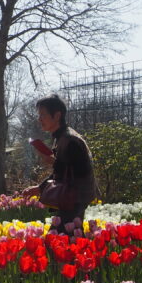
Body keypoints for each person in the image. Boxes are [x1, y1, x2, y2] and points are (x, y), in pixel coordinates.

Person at [21, 93, 97, 237]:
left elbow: (78, 172)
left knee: (56, 241)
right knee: (68, 241)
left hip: (74, 199)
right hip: (71, 198)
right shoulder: (62, 137)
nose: (39, 119)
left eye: (43, 115)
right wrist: (40, 188)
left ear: (56, 116)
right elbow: (63, 172)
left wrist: (53, 162)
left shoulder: (70, 139)